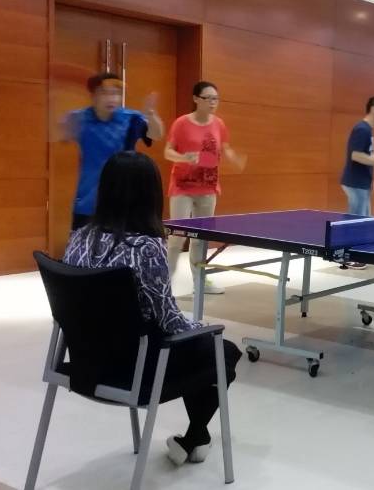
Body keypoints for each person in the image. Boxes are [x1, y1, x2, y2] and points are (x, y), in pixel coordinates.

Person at [63, 151, 242, 467]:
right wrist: (203, 326)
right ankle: (196, 435)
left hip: (84, 364)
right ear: (150, 195)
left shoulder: (78, 239)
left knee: (202, 350)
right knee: (222, 351)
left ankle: (196, 438)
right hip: (135, 369)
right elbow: (170, 321)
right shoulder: (146, 248)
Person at [164, 81, 245, 295]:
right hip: (182, 187)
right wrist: (183, 158)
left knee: (200, 239)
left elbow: (224, 148)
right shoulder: (181, 123)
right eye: (208, 98)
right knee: (177, 236)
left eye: (215, 99)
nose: (212, 102)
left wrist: (233, 157)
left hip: (208, 188)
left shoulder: (219, 124)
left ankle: (200, 282)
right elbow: (167, 152)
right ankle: (164, 283)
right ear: (196, 99)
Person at [60, 72, 163, 230]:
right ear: (93, 95)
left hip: (122, 200)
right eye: (105, 93)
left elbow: (156, 134)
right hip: (87, 202)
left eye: (115, 93)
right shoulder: (79, 118)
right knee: (81, 243)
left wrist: (151, 115)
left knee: (121, 244)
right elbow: (60, 135)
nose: (111, 98)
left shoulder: (131, 118)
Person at [340, 96, 374, 270]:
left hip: (362, 182)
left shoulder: (368, 130)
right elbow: (355, 155)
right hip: (355, 182)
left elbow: (365, 156)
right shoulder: (362, 129)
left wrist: (371, 179)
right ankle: (348, 256)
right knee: (356, 221)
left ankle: (354, 253)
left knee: (362, 220)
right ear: (373, 109)